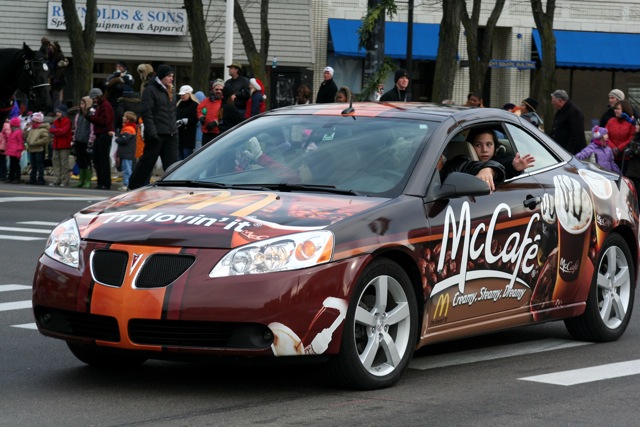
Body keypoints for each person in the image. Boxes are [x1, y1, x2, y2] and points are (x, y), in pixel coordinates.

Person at [128, 64, 179, 190]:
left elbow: (173, 113)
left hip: (171, 134)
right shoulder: (150, 90)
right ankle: (134, 186)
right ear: (161, 76)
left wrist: (175, 132)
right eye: (168, 76)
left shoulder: (171, 90)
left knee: (172, 166)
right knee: (147, 163)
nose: (171, 79)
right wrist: (152, 133)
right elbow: (147, 112)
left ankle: (173, 189)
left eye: (172, 76)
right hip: (156, 134)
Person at [467, 127, 535, 180]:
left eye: (488, 144)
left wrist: (513, 168)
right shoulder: (464, 163)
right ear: (470, 146)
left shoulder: (501, 159)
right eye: (478, 145)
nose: (484, 150)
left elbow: (504, 166)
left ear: (495, 146)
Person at [87, 87, 115, 190]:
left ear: (98, 97)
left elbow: (104, 121)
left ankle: (105, 183)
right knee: (97, 159)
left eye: (94, 98)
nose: (93, 100)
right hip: (99, 134)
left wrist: (92, 117)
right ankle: (100, 182)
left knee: (103, 160)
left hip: (104, 134)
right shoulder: (99, 106)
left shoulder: (105, 106)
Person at [550, 89, 587, 155]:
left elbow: (576, 134)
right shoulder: (561, 111)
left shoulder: (574, 112)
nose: (554, 106)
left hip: (573, 152)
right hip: (562, 149)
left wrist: (567, 152)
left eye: (554, 104)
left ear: (560, 101)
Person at [110, 111, 137, 191]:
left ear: (128, 120)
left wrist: (116, 139)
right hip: (127, 153)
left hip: (127, 153)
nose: (123, 118)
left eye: (124, 117)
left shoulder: (128, 129)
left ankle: (127, 184)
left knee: (127, 169)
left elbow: (124, 140)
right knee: (127, 169)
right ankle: (127, 183)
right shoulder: (128, 128)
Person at [605, 99, 636, 169]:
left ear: (624, 110)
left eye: (618, 109)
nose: (615, 110)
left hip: (626, 157)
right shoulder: (611, 121)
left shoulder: (631, 123)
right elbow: (605, 135)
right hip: (611, 155)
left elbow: (632, 138)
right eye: (615, 109)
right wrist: (613, 148)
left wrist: (619, 148)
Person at [48, 104, 73, 187]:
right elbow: (51, 129)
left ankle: (65, 180)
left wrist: (56, 131)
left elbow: (64, 131)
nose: (57, 113)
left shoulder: (67, 121)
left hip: (64, 145)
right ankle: (57, 178)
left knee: (64, 163)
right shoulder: (56, 121)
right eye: (57, 112)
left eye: (59, 112)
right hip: (56, 144)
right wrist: (57, 131)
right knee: (55, 162)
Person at [73, 96, 95, 188]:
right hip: (78, 139)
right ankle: (81, 180)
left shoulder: (91, 114)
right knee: (80, 160)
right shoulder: (78, 115)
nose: (81, 106)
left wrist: (91, 139)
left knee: (87, 160)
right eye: (81, 104)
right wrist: (74, 138)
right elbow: (76, 127)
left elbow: (92, 128)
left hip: (86, 140)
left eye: (83, 104)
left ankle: (87, 180)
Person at [24, 112, 50, 185]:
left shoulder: (42, 129)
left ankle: (41, 179)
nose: (31, 122)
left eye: (33, 121)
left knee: (39, 165)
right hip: (32, 149)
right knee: (33, 165)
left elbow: (45, 139)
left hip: (39, 149)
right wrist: (26, 129)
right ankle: (33, 179)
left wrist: (35, 142)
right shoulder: (32, 129)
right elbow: (25, 137)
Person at [176, 85, 199, 160]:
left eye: (183, 95)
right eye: (181, 95)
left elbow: (195, 119)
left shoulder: (194, 105)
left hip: (188, 136)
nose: (182, 96)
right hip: (179, 135)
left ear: (189, 94)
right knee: (179, 157)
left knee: (186, 156)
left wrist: (186, 121)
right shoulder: (179, 105)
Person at [198, 79, 224, 145]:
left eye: (221, 90)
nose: (219, 91)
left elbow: (226, 115)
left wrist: (216, 122)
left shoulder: (224, 102)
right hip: (206, 132)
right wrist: (201, 116)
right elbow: (199, 109)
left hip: (218, 133)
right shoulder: (206, 100)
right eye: (217, 89)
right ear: (213, 89)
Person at [48, 41, 68, 111]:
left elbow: (60, 68)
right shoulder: (51, 56)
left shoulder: (60, 56)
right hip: (52, 78)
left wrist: (57, 77)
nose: (50, 48)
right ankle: (53, 109)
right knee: (52, 95)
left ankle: (57, 111)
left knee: (56, 95)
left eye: (51, 47)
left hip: (58, 79)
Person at [5, 117, 24, 184]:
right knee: (12, 165)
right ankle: (11, 177)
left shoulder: (18, 132)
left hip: (16, 152)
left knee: (16, 166)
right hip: (11, 152)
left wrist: (19, 151)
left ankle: (17, 178)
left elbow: (20, 142)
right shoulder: (13, 132)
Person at [624, 120, 640, 196]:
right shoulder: (634, 138)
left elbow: (636, 151)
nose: (636, 126)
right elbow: (627, 149)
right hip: (632, 172)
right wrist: (629, 151)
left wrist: (634, 151)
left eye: (638, 125)